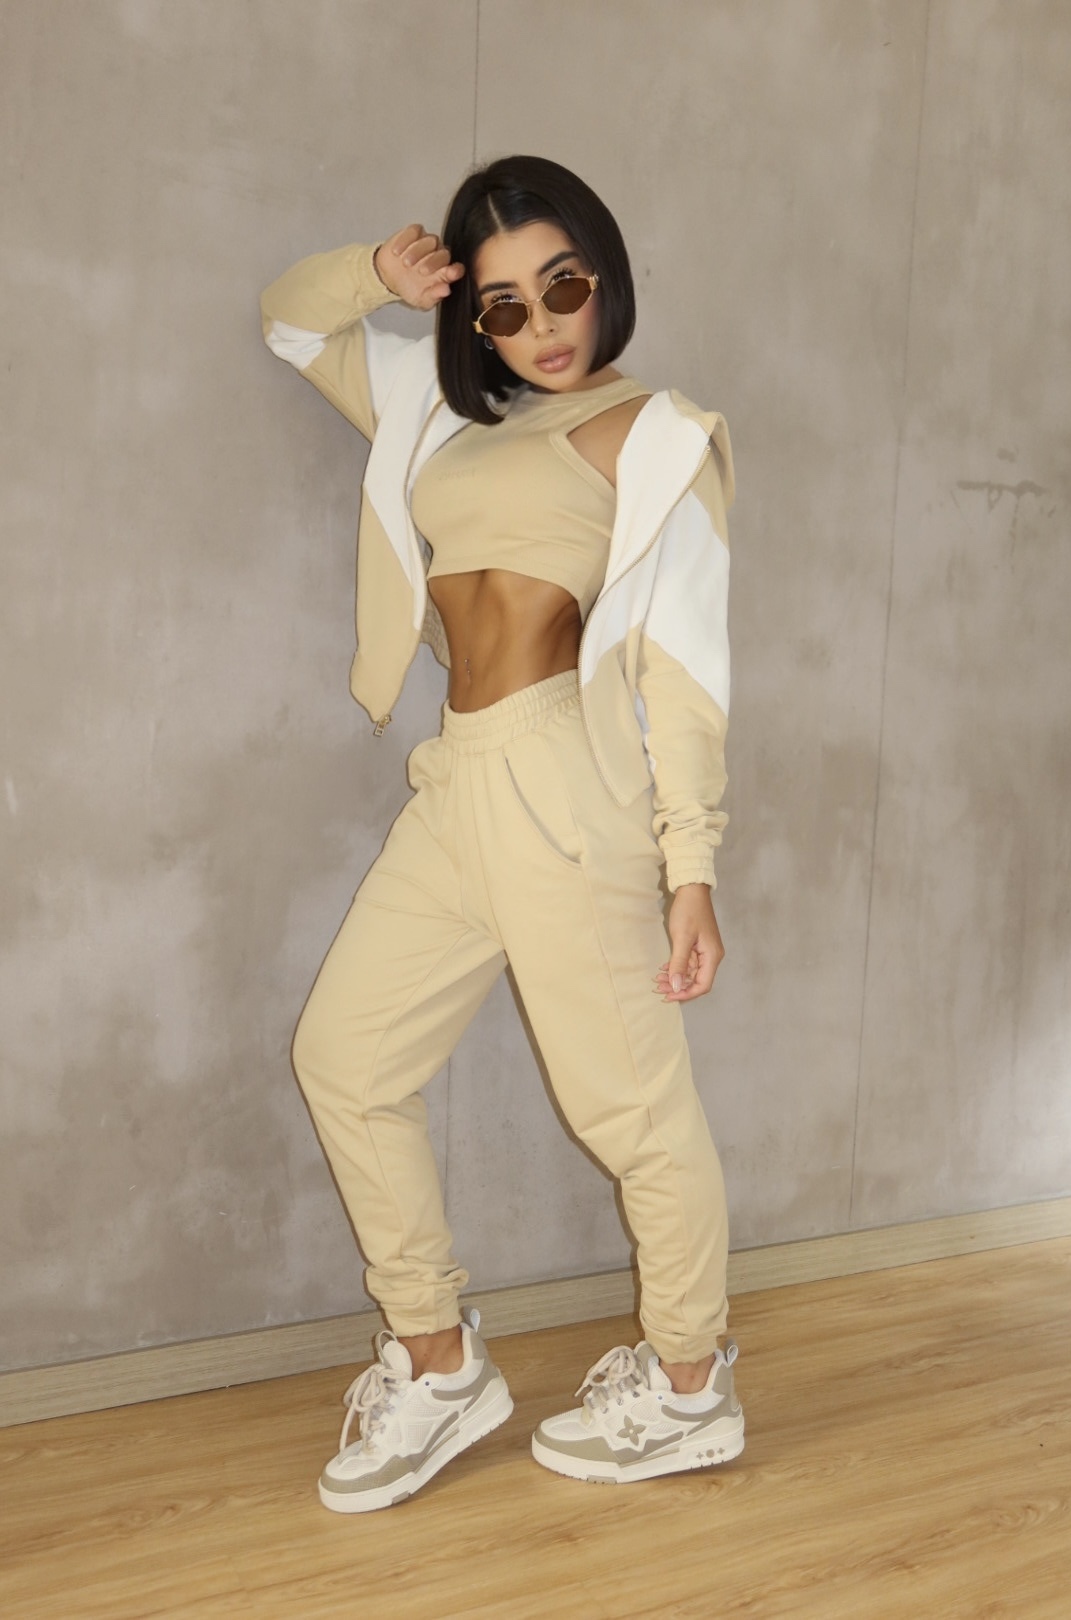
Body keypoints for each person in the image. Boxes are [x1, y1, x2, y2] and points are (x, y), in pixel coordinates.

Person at [260, 154, 743, 1513]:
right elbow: (291, 323)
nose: (545, 326)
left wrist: (692, 868)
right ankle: (437, 1362)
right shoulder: (439, 408)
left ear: (606, 273)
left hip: (568, 787)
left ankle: (691, 1384)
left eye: (564, 285)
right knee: (346, 1057)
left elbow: (686, 674)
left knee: (631, 1111)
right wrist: (378, 277)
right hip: (457, 778)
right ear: (475, 321)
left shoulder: (656, 433)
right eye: (506, 307)